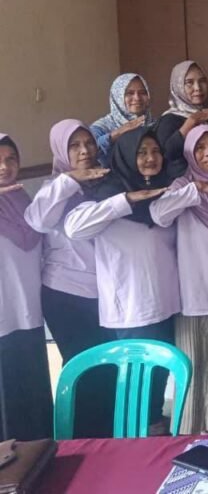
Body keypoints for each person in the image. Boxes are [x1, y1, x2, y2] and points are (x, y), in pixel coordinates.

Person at [64, 127, 180, 434]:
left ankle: (154, 434)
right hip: (130, 308)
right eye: (141, 153)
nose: (150, 158)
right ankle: (133, 443)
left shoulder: (164, 189)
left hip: (166, 303)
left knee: (157, 384)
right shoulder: (108, 193)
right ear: (127, 156)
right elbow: (74, 228)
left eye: (155, 151)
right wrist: (125, 200)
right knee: (132, 389)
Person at [150, 124, 208, 435]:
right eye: (201, 148)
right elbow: (159, 214)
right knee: (195, 373)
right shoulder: (182, 186)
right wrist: (195, 191)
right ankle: (190, 439)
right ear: (190, 153)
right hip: (195, 296)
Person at [24, 120, 114, 437]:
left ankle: (107, 437)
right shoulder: (54, 189)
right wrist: (70, 179)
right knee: (82, 368)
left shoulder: (104, 181)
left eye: (88, 143)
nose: (84, 151)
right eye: (74, 146)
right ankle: (80, 438)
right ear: (61, 151)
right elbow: (37, 221)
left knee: (106, 368)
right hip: (65, 294)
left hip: (102, 293)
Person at [0, 134, 54, 441]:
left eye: (11, 159)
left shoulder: (24, 201)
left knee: (33, 388)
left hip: (29, 313)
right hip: (3, 320)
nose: (4, 167)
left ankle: (41, 453)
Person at [155, 60, 208, 179]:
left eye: (202, 81)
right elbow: (166, 154)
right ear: (178, 86)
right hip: (184, 183)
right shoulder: (169, 120)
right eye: (189, 83)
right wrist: (190, 123)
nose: (198, 88)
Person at [91, 73, 152, 167]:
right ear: (117, 96)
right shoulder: (102, 127)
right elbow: (89, 153)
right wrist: (116, 134)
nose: (137, 98)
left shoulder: (154, 125)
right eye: (129, 93)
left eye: (142, 92)